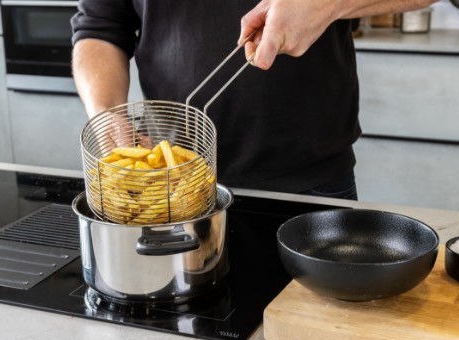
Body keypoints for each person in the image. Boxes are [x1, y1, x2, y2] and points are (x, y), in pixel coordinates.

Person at [71, 0, 435, 200]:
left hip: (311, 184)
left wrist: (325, 4)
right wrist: (105, 113)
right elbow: (99, 28)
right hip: (171, 185)